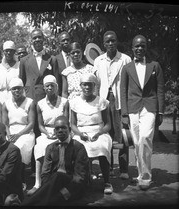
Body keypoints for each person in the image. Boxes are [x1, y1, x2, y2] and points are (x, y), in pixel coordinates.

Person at [120, 35, 164, 190]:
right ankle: (141, 173)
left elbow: (160, 89)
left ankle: (146, 177)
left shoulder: (155, 66)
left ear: (146, 48)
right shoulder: (127, 68)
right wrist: (124, 113)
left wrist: (161, 112)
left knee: (145, 138)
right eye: (136, 46)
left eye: (142, 46)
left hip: (150, 107)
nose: (139, 48)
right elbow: (123, 91)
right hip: (133, 108)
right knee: (138, 142)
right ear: (132, 48)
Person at [21, 116, 90, 205]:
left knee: (57, 178)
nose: (60, 130)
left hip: (73, 188)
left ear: (69, 130)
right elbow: (45, 174)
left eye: (63, 128)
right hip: (54, 185)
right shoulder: (50, 147)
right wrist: (51, 188)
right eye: (57, 128)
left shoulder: (78, 147)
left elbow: (80, 177)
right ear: (54, 132)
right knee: (49, 200)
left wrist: (64, 191)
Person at [93, 31, 132, 179]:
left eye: (113, 41)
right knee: (106, 134)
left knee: (123, 134)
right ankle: (108, 168)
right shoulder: (98, 60)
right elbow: (96, 83)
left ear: (117, 42)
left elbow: (128, 83)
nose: (110, 44)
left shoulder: (125, 59)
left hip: (120, 100)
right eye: (107, 41)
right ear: (103, 44)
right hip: (104, 100)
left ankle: (123, 169)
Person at [70, 73, 113, 194]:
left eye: (90, 85)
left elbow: (108, 124)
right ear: (80, 86)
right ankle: (84, 180)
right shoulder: (74, 102)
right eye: (84, 85)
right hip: (81, 132)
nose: (87, 87)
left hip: (99, 132)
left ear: (94, 86)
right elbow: (72, 124)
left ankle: (107, 181)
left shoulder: (102, 101)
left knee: (102, 147)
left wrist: (99, 133)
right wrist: (80, 134)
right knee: (80, 147)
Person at [27, 75, 69, 196]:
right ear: (44, 88)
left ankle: (63, 182)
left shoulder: (65, 102)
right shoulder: (39, 104)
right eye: (47, 86)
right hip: (47, 133)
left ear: (57, 87)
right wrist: (47, 133)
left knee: (63, 147)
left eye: (52, 85)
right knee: (39, 146)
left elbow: (66, 121)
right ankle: (38, 183)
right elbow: (40, 125)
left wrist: (58, 132)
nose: (50, 88)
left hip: (62, 132)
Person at [2, 77, 36, 191]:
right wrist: (8, 135)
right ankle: (7, 179)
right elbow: (5, 123)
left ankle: (21, 180)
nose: (17, 91)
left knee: (19, 148)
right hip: (10, 132)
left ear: (23, 89)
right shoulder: (6, 104)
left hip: (26, 132)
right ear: (10, 90)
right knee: (5, 147)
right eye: (14, 89)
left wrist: (18, 135)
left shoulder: (30, 102)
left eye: (19, 88)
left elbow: (31, 124)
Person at [19, 28, 60, 104]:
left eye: (39, 37)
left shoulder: (52, 59)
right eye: (34, 38)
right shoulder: (24, 61)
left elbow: (57, 82)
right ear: (31, 41)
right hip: (30, 98)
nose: (37, 39)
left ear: (43, 39)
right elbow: (21, 82)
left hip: (47, 98)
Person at [55, 31, 72, 96]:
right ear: (59, 44)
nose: (66, 42)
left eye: (67, 40)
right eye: (63, 40)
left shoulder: (77, 56)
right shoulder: (55, 59)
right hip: (61, 95)